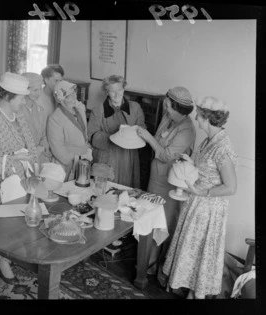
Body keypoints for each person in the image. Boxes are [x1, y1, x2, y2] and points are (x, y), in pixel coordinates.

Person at [162, 96, 238, 299]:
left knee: (200, 253)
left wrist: (203, 193)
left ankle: (198, 294)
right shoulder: (209, 140)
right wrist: (190, 160)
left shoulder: (222, 147)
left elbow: (231, 187)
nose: (196, 117)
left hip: (209, 208)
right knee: (193, 251)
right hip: (197, 203)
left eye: (199, 114)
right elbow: (206, 169)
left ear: (207, 118)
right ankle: (193, 293)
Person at [0, 72, 39, 284]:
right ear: (8, 96)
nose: (24, 101)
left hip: (20, 181)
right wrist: (14, 157)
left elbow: (29, 144)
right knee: (0, 228)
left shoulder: (19, 118)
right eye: (22, 97)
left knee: (17, 224)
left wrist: (31, 156)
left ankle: (7, 256)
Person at [136, 86, 196, 275]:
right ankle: (146, 262)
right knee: (149, 217)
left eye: (168, 106)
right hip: (155, 179)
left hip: (169, 184)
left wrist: (147, 137)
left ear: (177, 107)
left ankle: (155, 266)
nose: (166, 109)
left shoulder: (187, 130)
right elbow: (157, 141)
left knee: (163, 223)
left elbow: (166, 155)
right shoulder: (168, 118)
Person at [87, 75, 146, 188]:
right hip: (106, 156)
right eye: (112, 91)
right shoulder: (98, 110)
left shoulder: (135, 108)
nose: (117, 94)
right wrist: (114, 137)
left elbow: (142, 129)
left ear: (124, 89)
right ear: (107, 92)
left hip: (128, 156)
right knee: (106, 189)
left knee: (126, 190)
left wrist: (131, 134)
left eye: (119, 90)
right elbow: (92, 135)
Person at [47, 80, 92, 181]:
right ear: (61, 99)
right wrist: (73, 161)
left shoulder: (79, 109)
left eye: (74, 93)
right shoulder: (55, 118)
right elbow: (57, 148)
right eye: (69, 96)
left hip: (82, 160)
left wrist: (85, 154)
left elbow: (79, 104)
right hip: (66, 164)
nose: (74, 97)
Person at [21, 72, 52, 164]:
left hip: (39, 156)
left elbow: (43, 135)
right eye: (35, 90)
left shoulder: (41, 111)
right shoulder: (16, 111)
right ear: (25, 90)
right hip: (23, 158)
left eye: (40, 89)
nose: (39, 93)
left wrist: (44, 147)